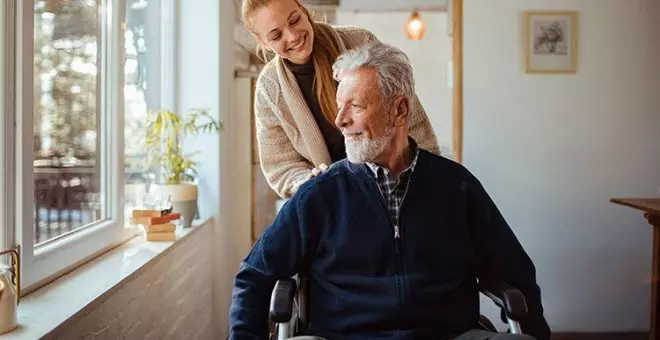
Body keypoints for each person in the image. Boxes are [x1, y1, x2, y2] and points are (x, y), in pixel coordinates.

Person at [228, 42, 551, 340]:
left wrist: (536, 333)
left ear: (399, 111)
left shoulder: (456, 186)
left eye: (355, 105)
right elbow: (254, 275)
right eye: (340, 106)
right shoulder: (320, 193)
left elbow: (515, 270)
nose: (340, 120)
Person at [241, 0, 440, 199]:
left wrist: (429, 175)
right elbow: (281, 166)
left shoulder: (360, 42)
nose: (293, 37)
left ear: (303, 10)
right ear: (263, 43)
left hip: (396, 186)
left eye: (295, 20)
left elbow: (408, 117)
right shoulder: (269, 89)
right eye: (276, 36)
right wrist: (308, 181)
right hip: (333, 201)